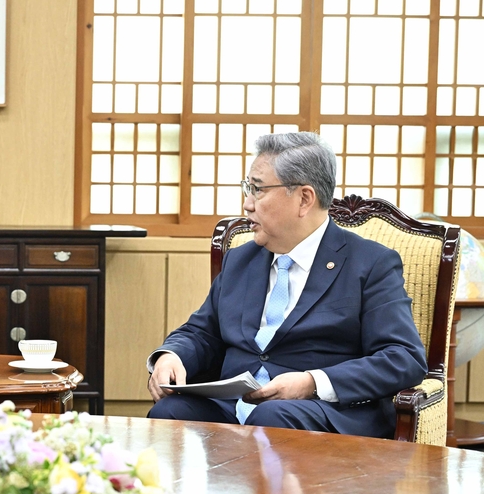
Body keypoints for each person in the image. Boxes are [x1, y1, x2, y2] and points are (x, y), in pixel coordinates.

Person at [146, 132, 427, 438]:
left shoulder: (370, 263)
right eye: (247, 189)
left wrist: (311, 382)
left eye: (258, 190)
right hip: (234, 406)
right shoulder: (241, 259)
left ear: (304, 198)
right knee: (168, 412)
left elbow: (403, 357)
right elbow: (202, 333)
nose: (247, 204)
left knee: (273, 418)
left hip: (319, 411)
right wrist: (171, 355)